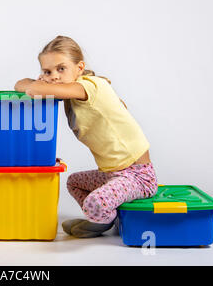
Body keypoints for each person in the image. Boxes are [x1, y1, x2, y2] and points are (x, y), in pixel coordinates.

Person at [14, 36, 158, 238]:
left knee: (93, 202)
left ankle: (101, 218)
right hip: (112, 174)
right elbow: (23, 85)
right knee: (74, 182)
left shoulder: (86, 87)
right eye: (47, 71)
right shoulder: (72, 92)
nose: (54, 76)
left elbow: (32, 89)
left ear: (79, 67)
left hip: (138, 175)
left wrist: (37, 83)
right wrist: (34, 83)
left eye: (61, 68)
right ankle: (104, 216)